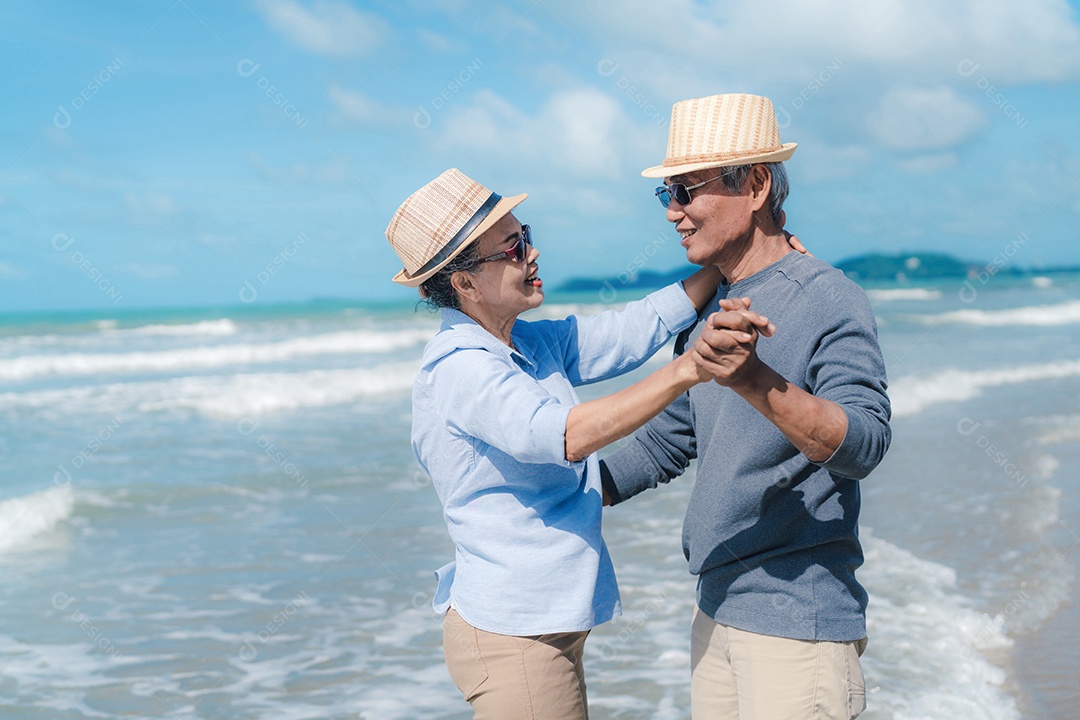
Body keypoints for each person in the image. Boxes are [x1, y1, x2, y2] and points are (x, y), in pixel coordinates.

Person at [385, 168, 777, 720]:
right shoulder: (460, 369)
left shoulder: (523, 342)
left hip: (539, 622)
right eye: (513, 248)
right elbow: (567, 436)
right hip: (514, 636)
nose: (532, 252)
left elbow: (629, 330)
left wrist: (730, 258)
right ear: (465, 284)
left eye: (526, 235)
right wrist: (691, 367)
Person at [599, 93, 892, 719]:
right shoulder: (708, 312)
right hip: (716, 604)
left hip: (798, 617)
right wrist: (558, 493)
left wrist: (753, 378)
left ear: (755, 185)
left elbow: (864, 445)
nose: (674, 213)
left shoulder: (829, 297)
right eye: (666, 195)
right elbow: (667, 442)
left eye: (686, 191)